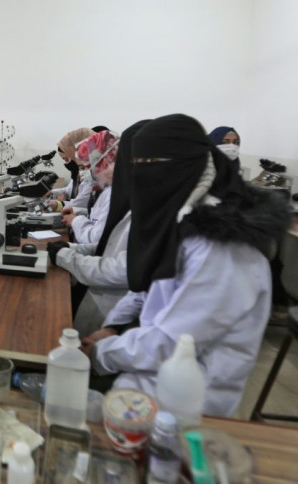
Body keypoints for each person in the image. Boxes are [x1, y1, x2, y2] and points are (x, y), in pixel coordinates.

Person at [83, 114, 292, 417]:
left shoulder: (223, 251)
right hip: (140, 381)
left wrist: (101, 353)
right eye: (138, 164)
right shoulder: (183, 220)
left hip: (182, 409)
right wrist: (113, 326)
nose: (143, 175)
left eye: (152, 162)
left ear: (190, 164)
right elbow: (146, 287)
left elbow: (172, 342)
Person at [48, 121, 149, 336]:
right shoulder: (114, 191)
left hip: (112, 306)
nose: (86, 171)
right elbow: (104, 244)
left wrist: (69, 253)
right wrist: (68, 249)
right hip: (110, 304)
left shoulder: (123, 196)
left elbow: (122, 267)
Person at [61, 130, 120, 245]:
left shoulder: (113, 193)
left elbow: (95, 239)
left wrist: (75, 220)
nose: (85, 172)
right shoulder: (105, 189)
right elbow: (97, 216)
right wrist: (77, 212)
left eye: (87, 167)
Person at [48, 128, 95, 213]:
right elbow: (70, 190)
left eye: (66, 159)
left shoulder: (93, 176)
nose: (66, 163)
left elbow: (81, 203)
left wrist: (59, 204)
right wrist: (52, 193)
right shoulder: (79, 174)